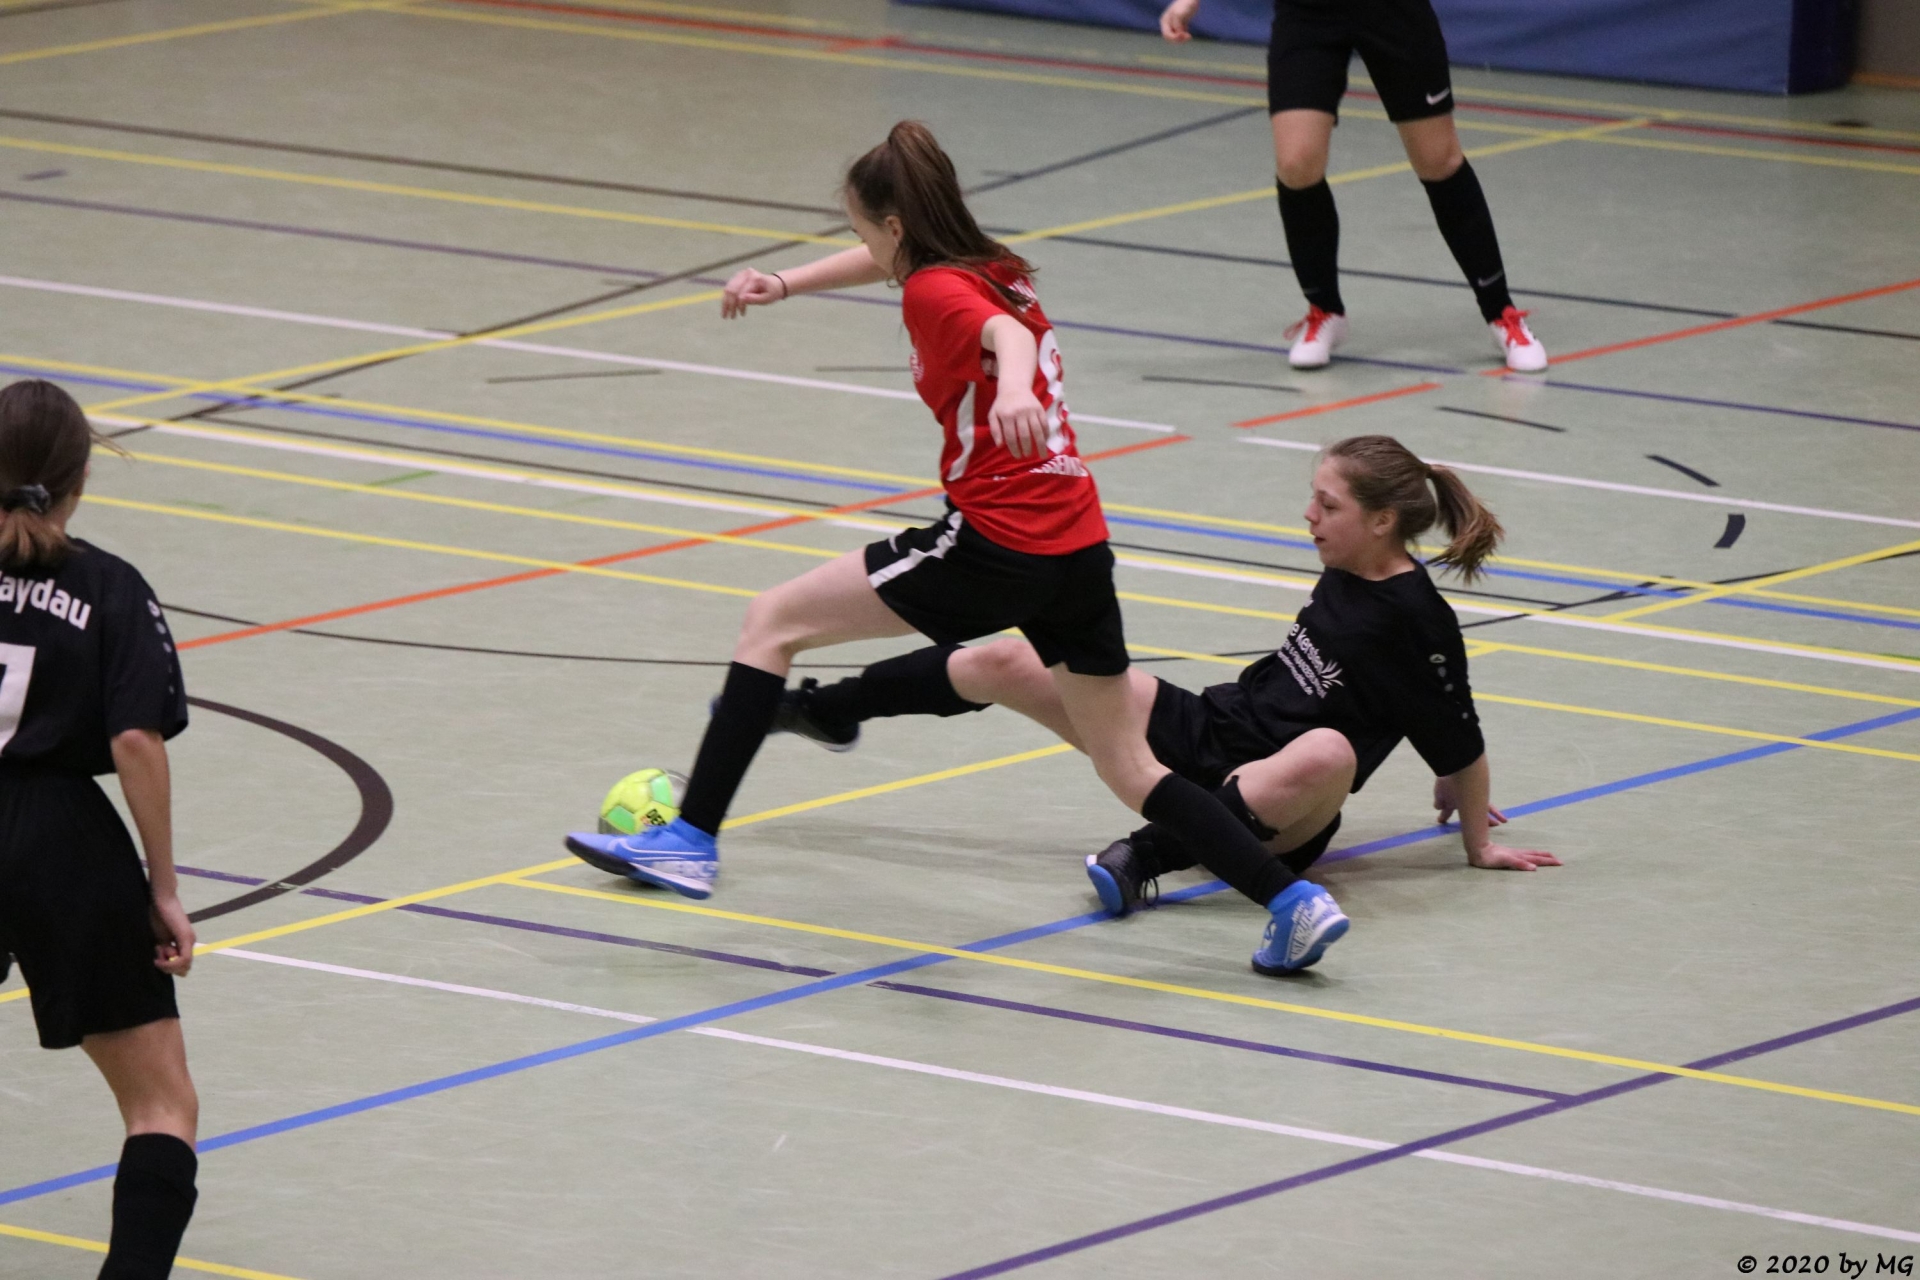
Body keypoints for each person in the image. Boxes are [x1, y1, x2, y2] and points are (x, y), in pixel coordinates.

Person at [565, 121, 1351, 973]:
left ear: (895, 225)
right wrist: (785, 283)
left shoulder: (937, 293)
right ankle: (1293, 902)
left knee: (772, 623)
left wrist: (1012, 391)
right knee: (1129, 765)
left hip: (994, 543)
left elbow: (1002, 338)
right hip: (1078, 545)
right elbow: (929, 284)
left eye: (863, 230)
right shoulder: (993, 267)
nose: (865, 248)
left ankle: (690, 840)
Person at [767, 435, 1559, 970]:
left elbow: (1457, 728)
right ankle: (832, 706)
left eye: (1328, 505)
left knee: (1329, 752)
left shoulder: (1416, 618)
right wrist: (1449, 773)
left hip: (1283, 801)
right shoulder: (1347, 566)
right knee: (1009, 659)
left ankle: (1144, 857)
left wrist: (1475, 836)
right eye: (1313, 500)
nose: (1309, 515)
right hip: (1212, 724)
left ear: (1382, 522)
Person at [0, 379, 200, 1278]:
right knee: (160, 1106)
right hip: (59, 838)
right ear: (80, 478)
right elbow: (133, 739)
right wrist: (162, 887)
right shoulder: (109, 587)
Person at [1159, 0, 1548, 372]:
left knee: (1439, 160)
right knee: (1296, 163)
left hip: (1393, 12)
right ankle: (1325, 310)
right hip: (1308, 13)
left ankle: (1501, 313)